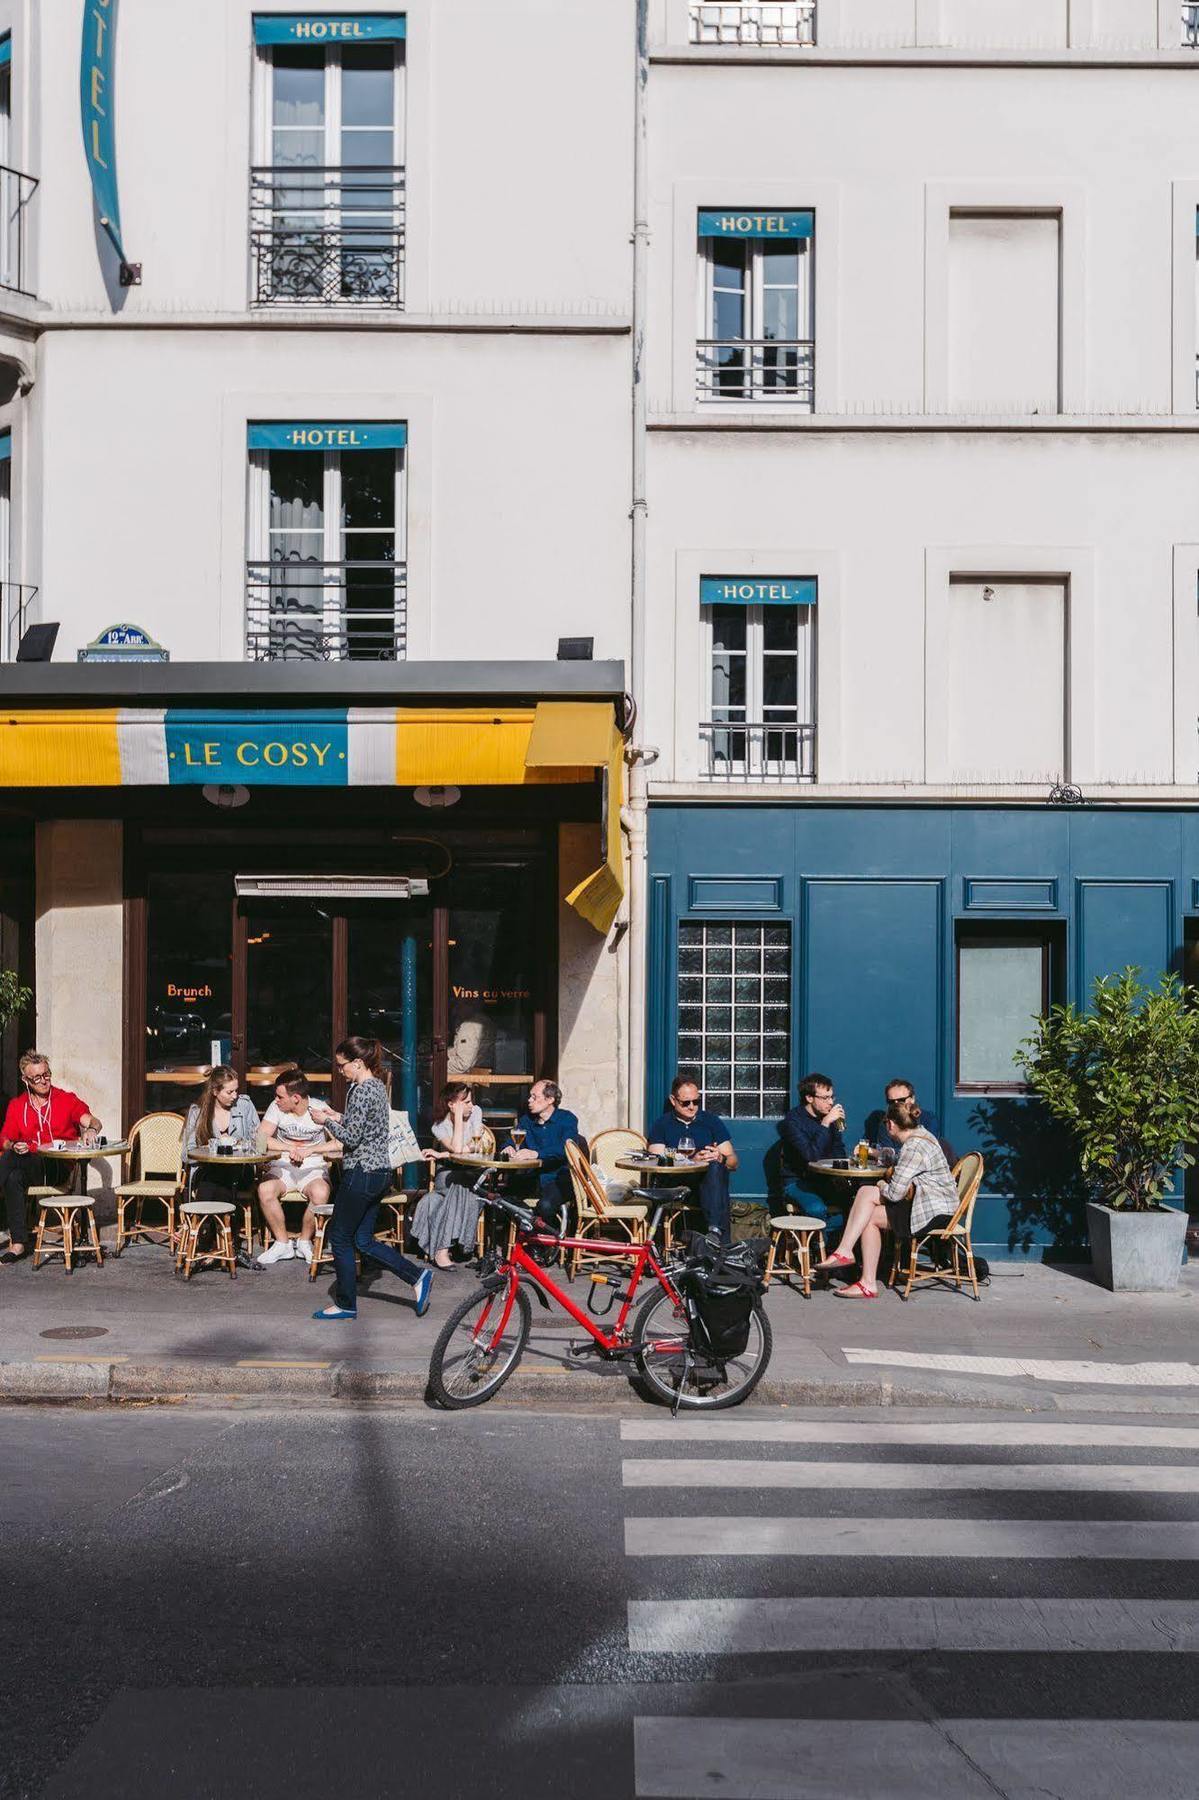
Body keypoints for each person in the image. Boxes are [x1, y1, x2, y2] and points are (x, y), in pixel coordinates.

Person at [307, 1035, 431, 1321]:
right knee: (363, 1240)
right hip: (378, 1172)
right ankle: (418, 1276)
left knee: (339, 1237)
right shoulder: (376, 1087)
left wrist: (325, 1121)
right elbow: (364, 1126)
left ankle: (346, 1303)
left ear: (358, 1062)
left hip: (362, 1171)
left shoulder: (361, 1090)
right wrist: (336, 1115)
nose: (340, 1071)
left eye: (342, 1066)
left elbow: (352, 1138)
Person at [815, 1096, 960, 1299]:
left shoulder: (913, 1147)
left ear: (890, 1124)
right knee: (867, 1210)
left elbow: (894, 1193)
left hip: (932, 1211)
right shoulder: (921, 1135)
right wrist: (876, 1154)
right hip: (931, 1204)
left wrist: (881, 1184)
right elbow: (900, 1159)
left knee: (868, 1197)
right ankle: (855, 1266)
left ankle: (855, 1266)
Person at [0, 1051, 103, 1264]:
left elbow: (93, 1121)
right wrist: (13, 1144)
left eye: (46, 1075)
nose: (43, 1081)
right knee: (13, 1176)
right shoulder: (17, 1106)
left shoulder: (65, 1099)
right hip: (27, 1164)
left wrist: (92, 1130)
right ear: (25, 1080)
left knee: (13, 1160)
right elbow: (5, 1139)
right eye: (37, 1077)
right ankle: (18, 1243)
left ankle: (18, 1243)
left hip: (57, 1166)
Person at [255, 1068, 333, 1267]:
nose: (276, 1099)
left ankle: (305, 1241)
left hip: (312, 1167)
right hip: (283, 1166)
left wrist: (311, 1151)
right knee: (265, 1190)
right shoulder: (276, 1107)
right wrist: (289, 1147)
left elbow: (339, 1143)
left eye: (280, 1096)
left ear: (296, 1097)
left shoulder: (319, 1109)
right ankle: (282, 1244)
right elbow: (261, 1139)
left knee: (321, 1192)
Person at [647, 1075, 736, 1243]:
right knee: (717, 1182)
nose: (692, 1107)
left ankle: (714, 1232)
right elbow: (656, 1156)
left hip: (707, 1186)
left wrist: (720, 1157)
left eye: (696, 1102)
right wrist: (689, 1159)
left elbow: (734, 1162)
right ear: (673, 1100)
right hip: (676, 1185)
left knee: (716, 1167)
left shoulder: (711, 1121)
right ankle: (720, 1244)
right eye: (685, 1103)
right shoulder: (662, 1124)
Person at [411, 1082, 486, 1269]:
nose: (471, 1105)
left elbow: (472, 1148)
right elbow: (461, 1149)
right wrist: (459, 1118)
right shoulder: (439, 1126)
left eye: (470, 1101)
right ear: (451, 1104)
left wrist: (443, 1154)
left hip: (472, 1171)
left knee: (461, 1187)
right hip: (448, 1174)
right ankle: (442, 1250)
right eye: (465, 1102)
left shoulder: (476, 1112)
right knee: (438, 1196)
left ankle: (440, 1250)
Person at [503, 1077, 586, 1228]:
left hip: (559, 1178)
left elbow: (566, 1148)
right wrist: (508, 1147)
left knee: (546, 1206)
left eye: (534, 1097)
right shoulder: (526, 1120)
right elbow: (512, 1140)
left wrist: (536, 1154)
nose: (529, 1100)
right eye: (530, 1096)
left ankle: (547, 1245)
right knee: (502, 1199)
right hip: (533, 1177)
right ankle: (528, 1226)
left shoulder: (567, 1119)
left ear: (550, 1100)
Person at [183, 1065, 263, 1210]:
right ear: (215, 1091)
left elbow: (259, 1141)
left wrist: (240, 1146)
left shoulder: (244, 1106)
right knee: (215, 1177)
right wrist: (209, 1150)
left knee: (215, 1180)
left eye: (236, 1090)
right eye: (229, 1092)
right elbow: (186, 1154)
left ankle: (202, 1226)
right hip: (208, 1170)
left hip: (241, 1170)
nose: (235, 1096)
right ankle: (223, 1226)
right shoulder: (198, 1112)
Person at [778, 1071, 850, 1225]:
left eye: (832, 1097)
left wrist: (840, 1175)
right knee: (817, 1209)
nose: (830, 1103)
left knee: (857, 1201)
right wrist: (825, 1124)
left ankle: (839, 1246)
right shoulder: (792, 1122)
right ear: (809, 1098)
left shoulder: (831, 1118)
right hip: (798, 1181)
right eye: (825, 1098)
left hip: (826, 1179)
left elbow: (839, 1149)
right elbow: (811, 1156)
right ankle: (818, 1248)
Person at [866, 1077, 946, 1162]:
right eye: (891, 1102)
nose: (896, 1105)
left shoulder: (928, 1119)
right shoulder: (887, 1123)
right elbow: (886, 1153)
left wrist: (879, 1153)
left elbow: (924, 1152)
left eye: (901, 1100)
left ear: (912, 1099)